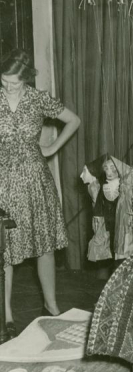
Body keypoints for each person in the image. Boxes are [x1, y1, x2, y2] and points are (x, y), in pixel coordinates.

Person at [0, 49, 81, 336]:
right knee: (4, 251)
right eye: (4, 81)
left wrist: (51, 148)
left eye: (14, 83)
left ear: (26, 79)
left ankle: (51, 306)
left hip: (36, 181)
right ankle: (6, 316)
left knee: (44, 246)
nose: (8, 87)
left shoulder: (38, 99)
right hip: (3, 183)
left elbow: (73, 120)